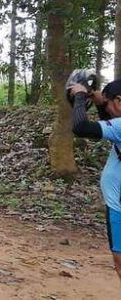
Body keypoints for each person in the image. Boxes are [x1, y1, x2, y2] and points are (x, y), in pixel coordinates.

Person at [70, 79, 121, 281]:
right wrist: (101, 103)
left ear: (119, 100)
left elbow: (81, 127)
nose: (107, 111)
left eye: (109, 105)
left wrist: (80, 96)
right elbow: (109, 128)